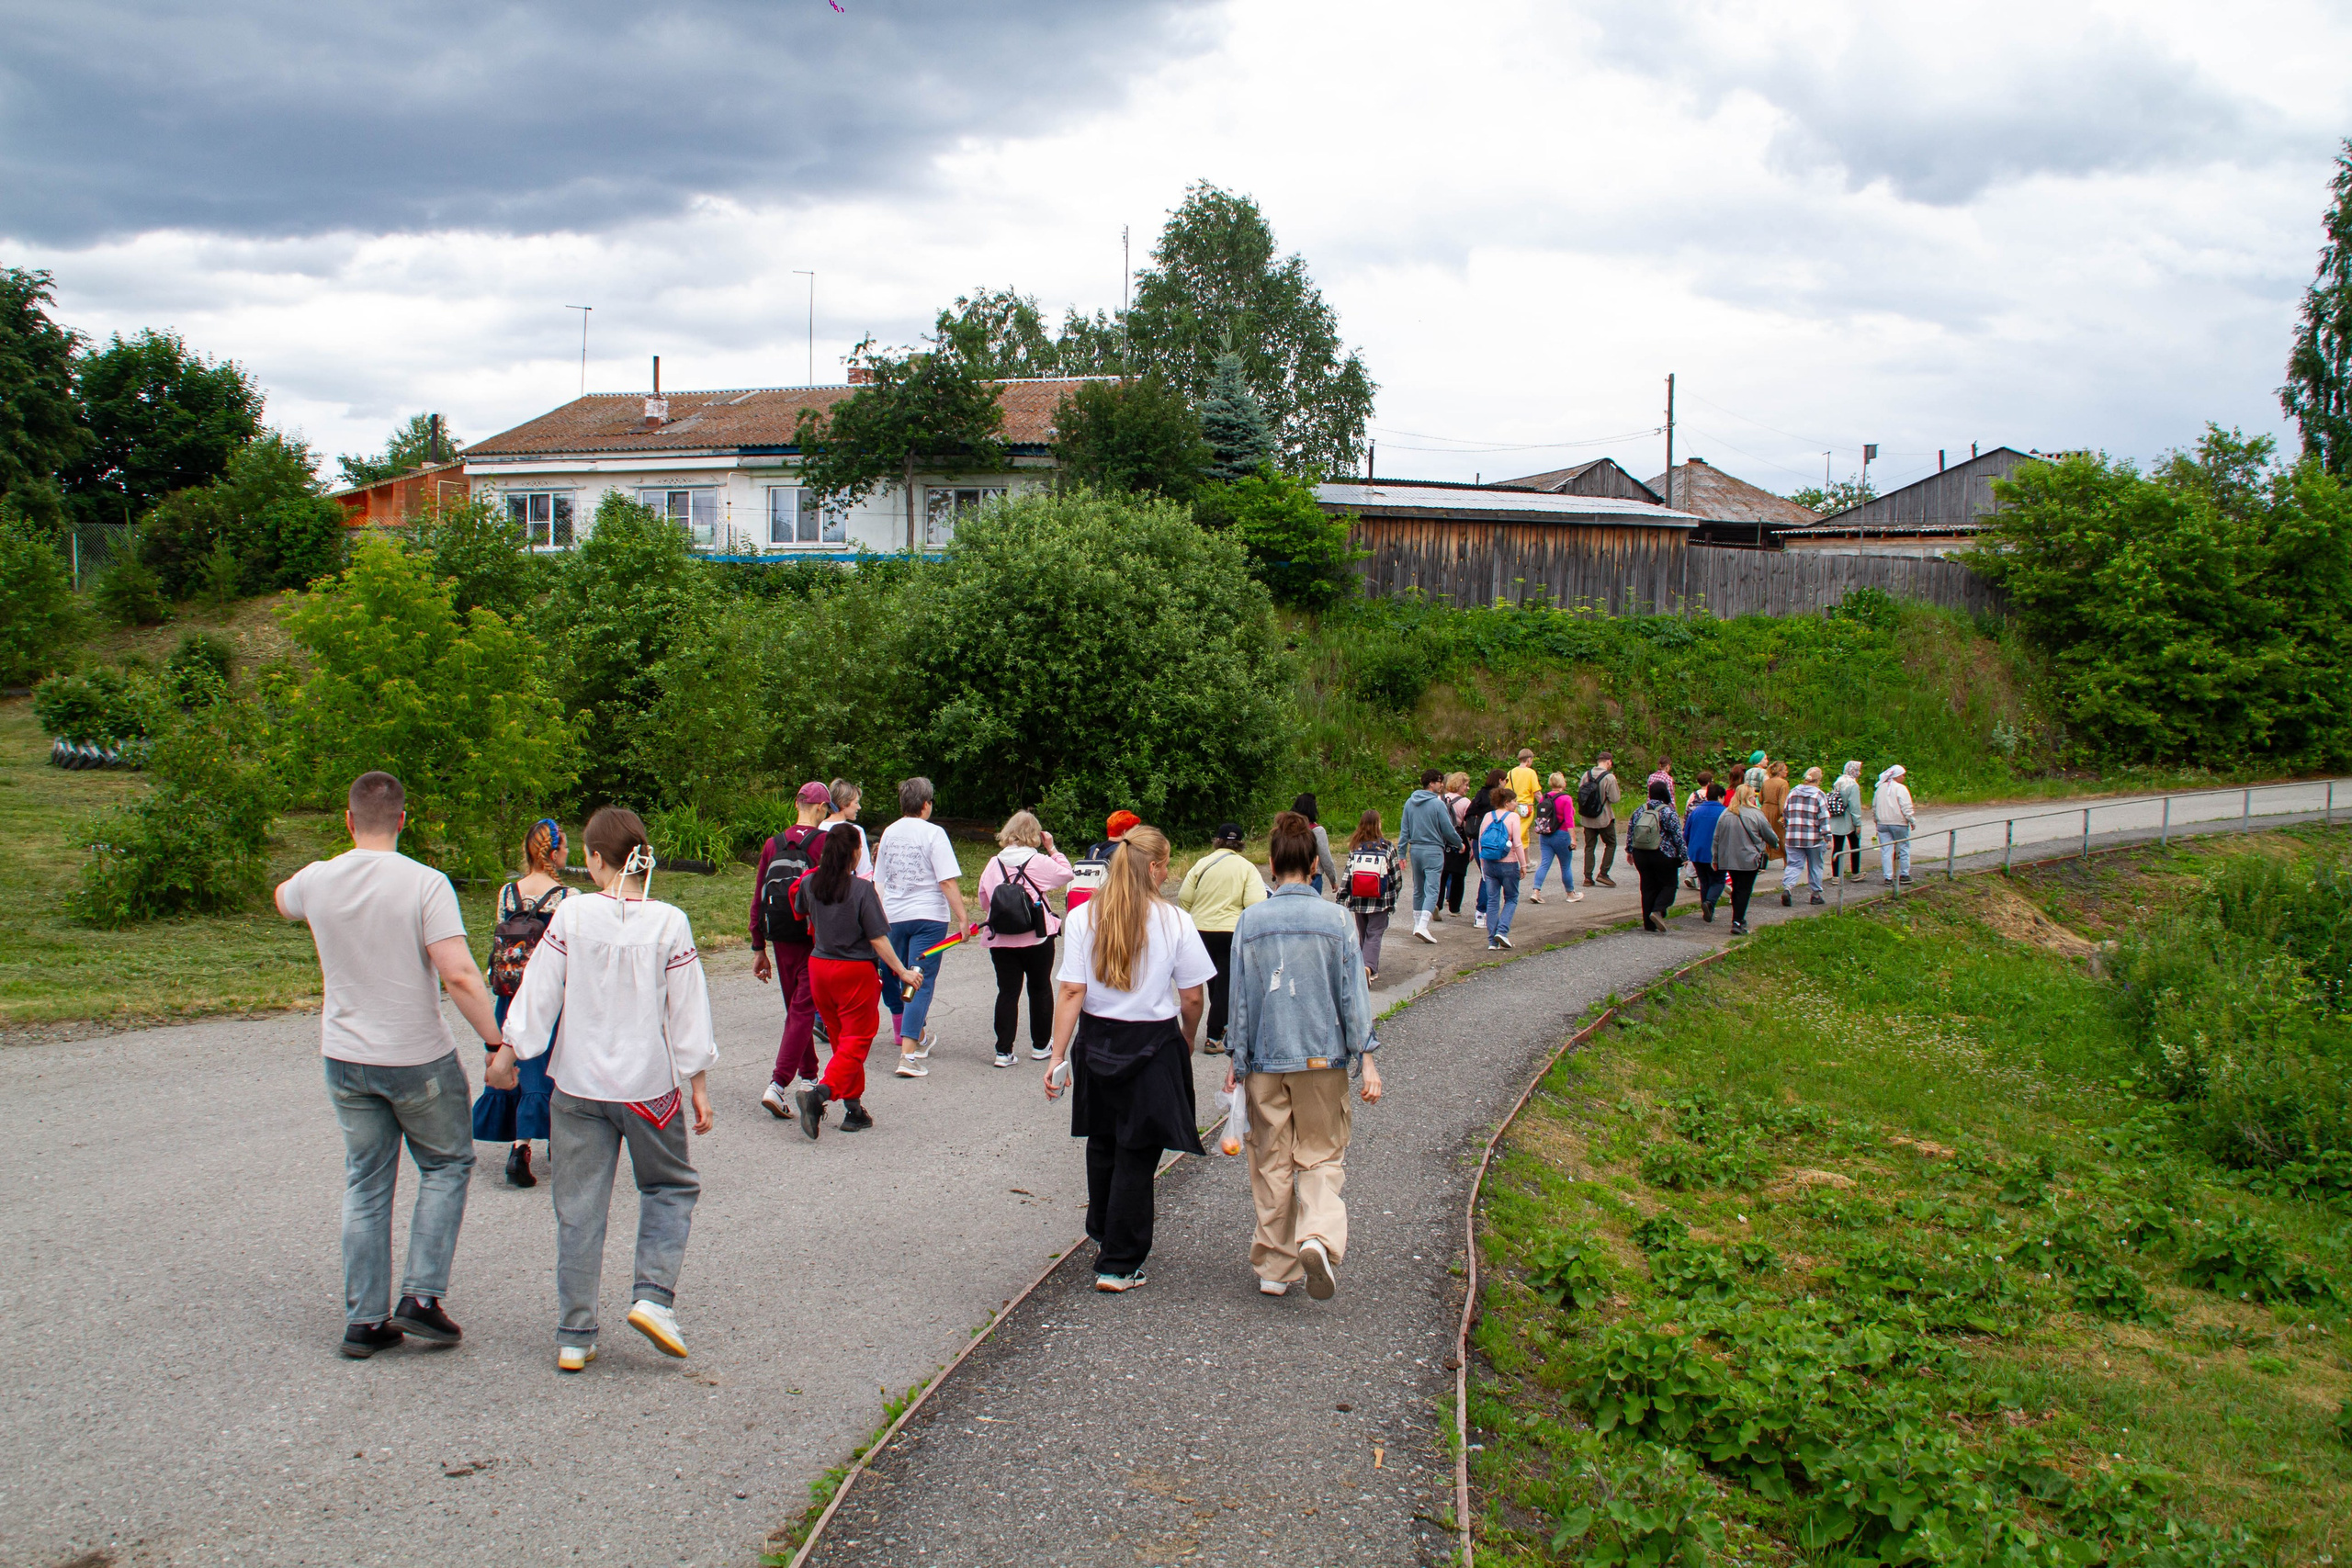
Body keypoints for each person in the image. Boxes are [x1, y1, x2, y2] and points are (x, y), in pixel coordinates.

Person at [277, 772, 503, 1359]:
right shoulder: (425, 884)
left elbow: (283, 899)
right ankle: (421, 1298)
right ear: (404, 820)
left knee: (367, 1182)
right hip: (415, 1056)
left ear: (348, 821)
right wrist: (494, 1041)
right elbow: (457, 974)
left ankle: (363, 1320)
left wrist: (319, 880)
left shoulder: (318, 879)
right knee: (448, 1164)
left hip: (345, 1058)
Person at [496, 807, 718, 1372]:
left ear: (595, 859)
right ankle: (652, 1298)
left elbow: (539, 991)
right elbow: (687, 1012)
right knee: (668, 1187)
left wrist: (510, 1052)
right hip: (647, 1087)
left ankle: (575, 1334)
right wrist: (698, 1084)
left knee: (579, 1206)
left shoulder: (571, 918)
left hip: (577, 1084)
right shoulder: (670, 922)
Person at [1044, 826, 1215, 1292]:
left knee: (1102, 1142)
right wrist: (1186, 1035)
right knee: (1138, 1151)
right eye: (1167, 863)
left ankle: (1103, 1231)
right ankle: (1119, 1262)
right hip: (1153, 1043)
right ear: (1155, 868)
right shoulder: (1174, 920)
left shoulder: (1083, 917)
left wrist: (1057, 1054)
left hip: (1097, 1040)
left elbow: (1072, 990)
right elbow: (1193, 995)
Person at [1223, 811, 1382, 1300]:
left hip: (1266, 1060)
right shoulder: (1336, 920)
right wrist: (1367, 1057)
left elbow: (1241, 999)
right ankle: (1316, 1234)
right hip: (1322, 1059)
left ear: (1271, 865)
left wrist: (1237, 1060)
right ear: (1315, 866)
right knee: (1321, 1154)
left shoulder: (1251, 920)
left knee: (1270, 1159)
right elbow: (1352, 996)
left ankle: (1276, 1267)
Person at [794, 824, 927, 1139]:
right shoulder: (861, 890)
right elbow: (878, 939)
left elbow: (800, 913)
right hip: (854, 972)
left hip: (819, 967)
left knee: (841, 1041)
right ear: (855, 854)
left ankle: (854, 1109)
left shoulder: (810, 883)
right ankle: (821, 1094)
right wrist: (903, 972)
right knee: (857, 1041)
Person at [474, 818, 571, 1188]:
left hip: (509, 995)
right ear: (555, 851)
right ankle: (538, 1144)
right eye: (564, 848)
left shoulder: (507, 893)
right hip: (547, 997)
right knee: (545, 1067)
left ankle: (519, 1146)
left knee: (513, 1061)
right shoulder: (566, 898)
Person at [874, 777, 970, 1077]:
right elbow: (945, 880)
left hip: (894, 915)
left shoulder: (889, 832)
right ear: (926, 804)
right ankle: (908, 1056)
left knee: (905, 977)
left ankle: (919, 1036)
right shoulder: (934, 833)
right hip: (929, 917)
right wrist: (963, 918)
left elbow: (879, 881)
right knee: (919, 982)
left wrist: (877, 917)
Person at [753, 783, 834, 1120]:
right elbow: (833, 893)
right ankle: (777, 1083)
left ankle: (809, 1077)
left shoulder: (773, 844)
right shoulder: (823, 843)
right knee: (803, 1013)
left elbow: (759, 894)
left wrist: (759, 947)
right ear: (819, 809)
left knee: (796, 1014)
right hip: (813, 941)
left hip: (780, 939)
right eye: (826, 810)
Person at [974, 810, 1075, 1070]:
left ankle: (1003, 1051)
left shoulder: (994, 862)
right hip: (1036, 935)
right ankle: (1041, 1045)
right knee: (1040, 987)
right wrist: (1052, 849)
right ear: (1036, 835)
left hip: (1001, 938)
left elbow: (984, 897)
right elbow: (1066, 875)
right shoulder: (1039, 861)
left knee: (1007, 991)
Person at [1175, 820, 1266, 1055]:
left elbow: (1184, 897)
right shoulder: (1247, 868)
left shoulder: (1202, 864)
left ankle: (1222, 1025)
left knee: (1213, 982)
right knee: (1225, 983)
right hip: (1230, 930)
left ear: (1217, 840)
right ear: (1241, 844)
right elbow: (1256, 904)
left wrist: (1197, 914)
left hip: (1200, 931)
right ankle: (1214, 1036)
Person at [1399, 767, 1464, 944]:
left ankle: (1416, 924)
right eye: (1439, 782)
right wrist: (1460, 844)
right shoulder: (1437, 804)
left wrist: (1401, 852)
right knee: (1432, 889)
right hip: (1433, 850)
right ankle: (1423, 926)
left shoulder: (1410, 802)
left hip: (1416, 850)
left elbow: (1404, 830)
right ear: (1431, 784)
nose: (1441, 785)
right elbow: (1448, 829)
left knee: (1418, 889)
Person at [1710, 784, 1781, 935]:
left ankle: (1738, 917)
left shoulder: (1726, 814)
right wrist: (1775, 844)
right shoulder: (1756, 814)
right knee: (1744, 889)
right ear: (1750, 797)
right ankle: (1737, 921)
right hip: (1749, 858)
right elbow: (1768, 833)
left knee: (1737, 887)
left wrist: (1715, 858)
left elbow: (1716, 838)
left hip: (1729, 858)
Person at [1340, 808, 1401, 979]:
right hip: (1381, 900)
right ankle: (1368, 968)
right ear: (1378, 825)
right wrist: (1393, 896)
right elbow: (1396, 877)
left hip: (1359, 899)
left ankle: (1361, 966)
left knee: (1364, 933)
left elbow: (1347, 875)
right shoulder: (1387, 847)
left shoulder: (1355, 847)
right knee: (1374, 934)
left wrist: (1342, 897)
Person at [1624, 779, 1687, 932]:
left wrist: (1629, 851)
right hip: (1662, 854)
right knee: (1669, 885)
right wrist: (1684, 856)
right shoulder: (1668, 812)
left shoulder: (1639, 810)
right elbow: (1677, 836)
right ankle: (1658, 910)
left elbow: (1631, 831)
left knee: (1647, 887)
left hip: (1641, 854)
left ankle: (1648, 923)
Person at [1476, 785, 1525, 950]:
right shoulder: (1513, 817)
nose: (1516, 804)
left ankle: (1492, 941)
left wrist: (1483, 865)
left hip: (1489, 864)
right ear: (1506, 802)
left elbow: (1481, 841)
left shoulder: (1488, 816)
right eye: (1514, 801)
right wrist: (1523, 864)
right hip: (1508, 863)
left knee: (1492, 901)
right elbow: (1517, 843)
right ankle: (1502, 931)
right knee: (1511, 898)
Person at [1528, 771, 1583, 905]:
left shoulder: (1544, 798)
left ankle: (1536, 891)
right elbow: (1569, 821)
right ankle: (1570, 893)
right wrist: (1573, 839)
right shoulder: (1566, 799)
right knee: (1565, 865)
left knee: (1545, 863)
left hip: (1546, 835)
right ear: (1562, 783)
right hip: (1562, 835)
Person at [1780, 767, 1833, 906]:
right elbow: (1824, 817)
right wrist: (1827, 836)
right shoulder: (1819, 795)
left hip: (1793, 836)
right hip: (1813, 838)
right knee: (1815, 865)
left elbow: (1785, 813)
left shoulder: (1793, 793)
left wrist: (1789, 827)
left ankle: (1788, 888)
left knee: (1794, 864)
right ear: (1819, 780)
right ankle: (1815, 895)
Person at [1069, 809, 1140, 911]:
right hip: (1115, 907)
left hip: (1087, 904)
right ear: (1125, 832)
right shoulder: (1125, 850)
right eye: (1136, 831)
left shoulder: (1093, 848)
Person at [1685, 783, 1728, 921]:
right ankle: (1710, 903)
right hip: (1716, 853)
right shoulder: (1724, 812)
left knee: (1704, 881)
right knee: (1718, 880)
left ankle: (1707, 910)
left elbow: (1686, 832)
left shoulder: (1696, 811)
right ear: (1720, 797)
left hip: (1697, 852)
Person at [1577, 755, 1622, 888]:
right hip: (1604, 818)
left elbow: (1581, 794)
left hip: (1587, 818)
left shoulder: (1586, 775)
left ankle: (1587, 877)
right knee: (1611, 843)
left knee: (1589, 847)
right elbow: (1614, 799)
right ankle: (1603, 873)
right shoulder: (1609, 777)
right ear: (1608, 762)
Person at [1466, 769, 1504, 929]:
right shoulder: (1498, 799)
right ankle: (1482, 911)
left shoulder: (1479, 795)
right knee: (1490, 877)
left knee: (1485, 875)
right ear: (1501, 781)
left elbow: (1468, 815)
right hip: (1493, 841)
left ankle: (1483, 912)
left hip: (1477, 840)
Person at [1439, 772, 1475, 920]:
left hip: (1442, 840)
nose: (1467, 788)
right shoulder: (1466, 802)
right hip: (1459, 839)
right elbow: (1467, 827)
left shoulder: (1439, 799)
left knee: (1441, 873)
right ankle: (1454, 907)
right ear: (1459, 785)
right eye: (1466, 785)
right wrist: (1471, 846)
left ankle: (1437, 903)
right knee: (1459, 875)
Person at [1291, 795, 1342, 897]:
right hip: (1313, 876)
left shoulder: (1288, 829)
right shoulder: (1317, 831)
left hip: (1291, 876)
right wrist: (1333, 879)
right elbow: (1325, 858)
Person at [1875, 764, 1917, 885]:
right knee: (1903, 847)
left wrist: (1876, 820)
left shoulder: (1879, 788)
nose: (1904, 777)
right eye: (1902, 775)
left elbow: (1874, 806)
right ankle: (1904, 874)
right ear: (1897, 776)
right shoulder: (1901, 789)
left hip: (1882, 823)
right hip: (1898, 823)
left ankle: (1888, 877)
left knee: (1886, 850)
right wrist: (1911, 820)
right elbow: (1906, 807)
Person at [1829, 761, 1867, 881]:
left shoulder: (1838, 781)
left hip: (1836, 818)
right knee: (1855, 845)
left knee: (1838, 847)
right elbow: (1854, 806)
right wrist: (1858, 823)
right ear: (1853, 771)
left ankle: (1836, 876)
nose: (1859, 773)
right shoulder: (1853, 785)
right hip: (1848, 819)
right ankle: (1855, 872)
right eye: (1857, 770)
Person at [1507, 749, 1542, 839]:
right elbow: (1537, 793)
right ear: (1529, 759)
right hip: (1527, 808)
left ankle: (1523, 853)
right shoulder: (1531, 772)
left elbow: (1507, 791)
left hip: (1514, 807)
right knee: (1517, 836)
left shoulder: (1510, 773)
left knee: (1524, 836)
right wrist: (1544, 804)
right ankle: (1510, 851)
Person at [1762, 761, 1792, 862]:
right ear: (1780, 771)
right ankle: (1786, 861)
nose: (1787, 772)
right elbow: (1782, 801)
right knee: (1781, 837)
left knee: (1764, 835)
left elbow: (1761, 799)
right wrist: (1783, 815)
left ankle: (1764, 860)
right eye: (1785, 770)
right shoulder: (1783, 783)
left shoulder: (1766, 782)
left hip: (1765, 810)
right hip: (1776, 811)